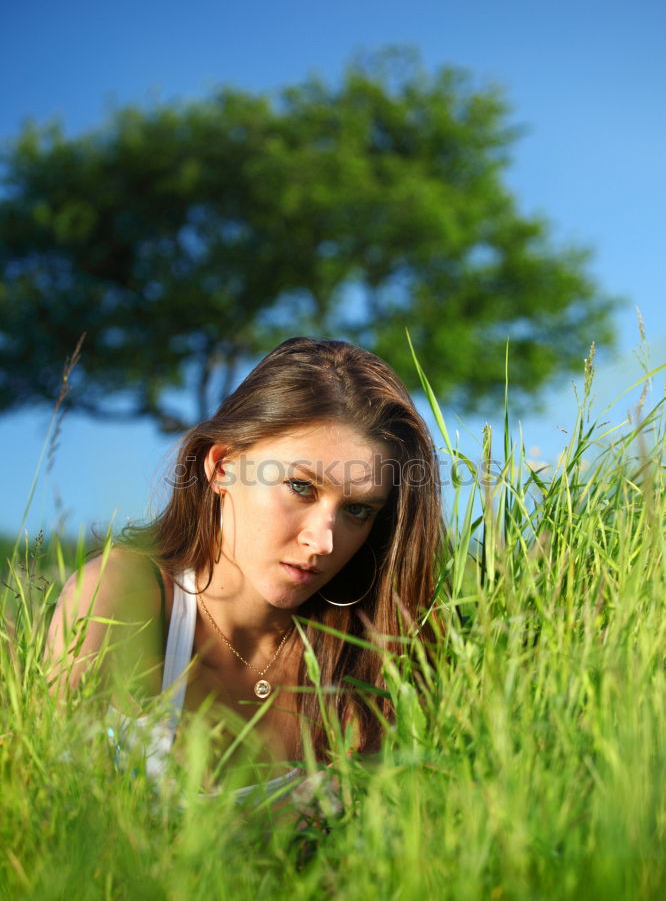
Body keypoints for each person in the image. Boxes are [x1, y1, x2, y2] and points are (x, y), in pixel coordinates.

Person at [46, 337, 445, 798]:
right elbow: (50, 813)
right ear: (221, 466)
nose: (323, 540)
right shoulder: (124, 595)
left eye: (357, 511)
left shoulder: (372, 654)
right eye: (301, 486)